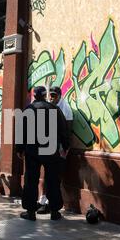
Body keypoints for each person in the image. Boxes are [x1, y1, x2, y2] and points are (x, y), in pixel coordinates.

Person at [16, 86, 70, 221]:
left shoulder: (29, 110)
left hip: (32, 150)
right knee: (52, 180)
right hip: (50, 150)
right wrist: (65, 146)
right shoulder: (54, 109)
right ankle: (55, 212)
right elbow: (63, 129)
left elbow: (21, 131)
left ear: (34, 95)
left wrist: (19, 149)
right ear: (46, 95)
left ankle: (30, 212)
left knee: (31, 180)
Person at [37, 86, 74, 214]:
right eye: (50, 95)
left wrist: (64, 148)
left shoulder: (66, 109)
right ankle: (42, 200)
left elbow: (67, 131)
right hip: (48, 146)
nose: (52, 98)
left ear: (59, 95)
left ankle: (50, 204)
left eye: (54, 95)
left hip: (59, 148)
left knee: (55, 177)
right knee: (46, 175)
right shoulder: (49, 107)